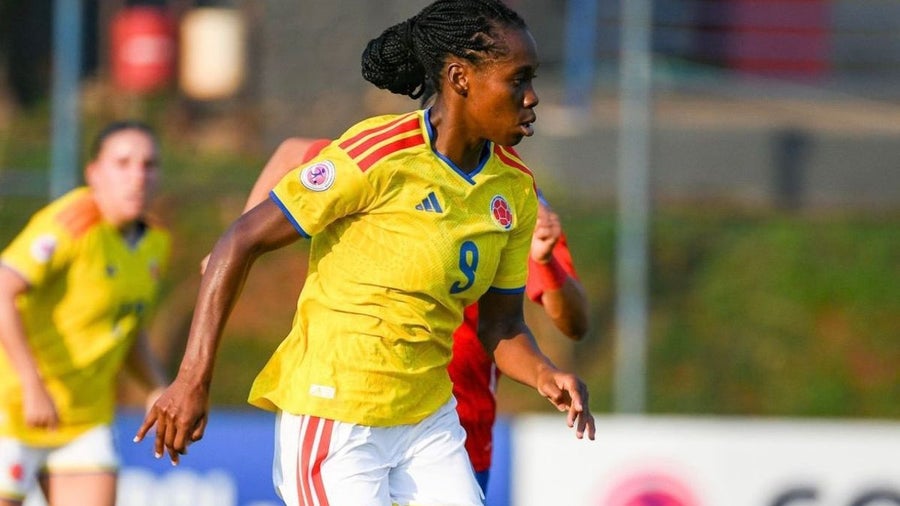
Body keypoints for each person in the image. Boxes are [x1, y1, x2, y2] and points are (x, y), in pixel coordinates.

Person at [135, 1, 595, 505]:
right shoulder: (378, 154)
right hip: (337, 413)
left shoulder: (515, 189)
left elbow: (501, 325)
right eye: (518, 79)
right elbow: (240, 239)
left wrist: (545, 374)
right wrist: (191, 379)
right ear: (460, 78)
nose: (532, 96)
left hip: (427, 420)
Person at [214, 136, 590, 494]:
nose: (528, 103)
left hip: (455, 428)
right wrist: (230, 253)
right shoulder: (394, 159)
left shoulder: (514, 193)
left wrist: (546, 262)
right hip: (364, 406)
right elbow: (291, 154)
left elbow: (571, 323)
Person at [0, 120, 170, 506]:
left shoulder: (156, 242)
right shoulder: (72, 222)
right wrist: (32, 385)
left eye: (149, 165)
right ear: (94, 173)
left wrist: (158, 389)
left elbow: (127, 328)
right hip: (11, 409)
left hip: (84, 419)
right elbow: (2, 289)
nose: (138, 176)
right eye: (123, 163)